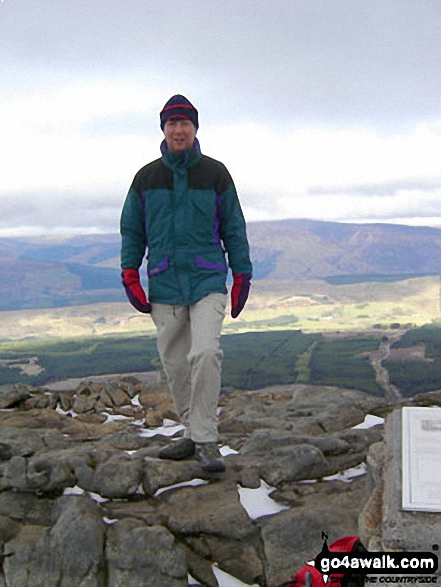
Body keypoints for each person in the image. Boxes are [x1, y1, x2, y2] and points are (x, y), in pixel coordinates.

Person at [120, 95, 252, 472]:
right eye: (172, 124)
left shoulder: (216, 174)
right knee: (176, 364)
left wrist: (242, 273)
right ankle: (191, 432)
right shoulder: (146, 178)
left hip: (207, 277)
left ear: (195, 128)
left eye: (186, 124)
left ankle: (206, 439)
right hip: (165, 282)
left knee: (206, 353)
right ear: (164, 129)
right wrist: (130, 273)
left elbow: (234, 228)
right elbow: (132, 230)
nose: (179, 130)